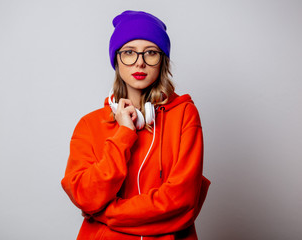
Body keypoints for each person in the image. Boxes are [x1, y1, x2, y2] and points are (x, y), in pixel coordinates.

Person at [61, 10, 211, 240]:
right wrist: (123, 135)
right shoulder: (89, 125)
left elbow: (181, 202)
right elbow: (86, 197)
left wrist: (108, 213)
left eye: (150, 53)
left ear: (162, 61)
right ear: (116, 60)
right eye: (129, 52)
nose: (139, 62)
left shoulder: (184, 115)